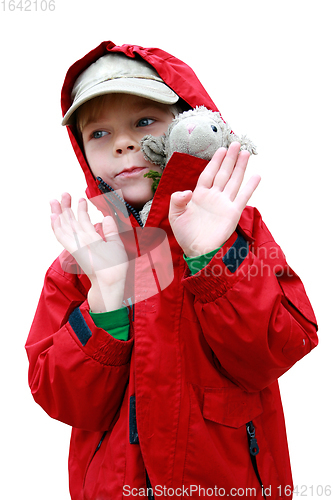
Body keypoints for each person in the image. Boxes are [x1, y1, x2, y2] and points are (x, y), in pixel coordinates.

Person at [26, 41, 318, 500]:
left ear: (187, 122)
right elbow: (64, 400)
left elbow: (280, 347)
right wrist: (105, 294)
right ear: (82, 151)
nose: (122, 142)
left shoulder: (238, 232)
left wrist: (211, 260)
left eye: (144, 122)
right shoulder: (79, 259)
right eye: (99, 133)